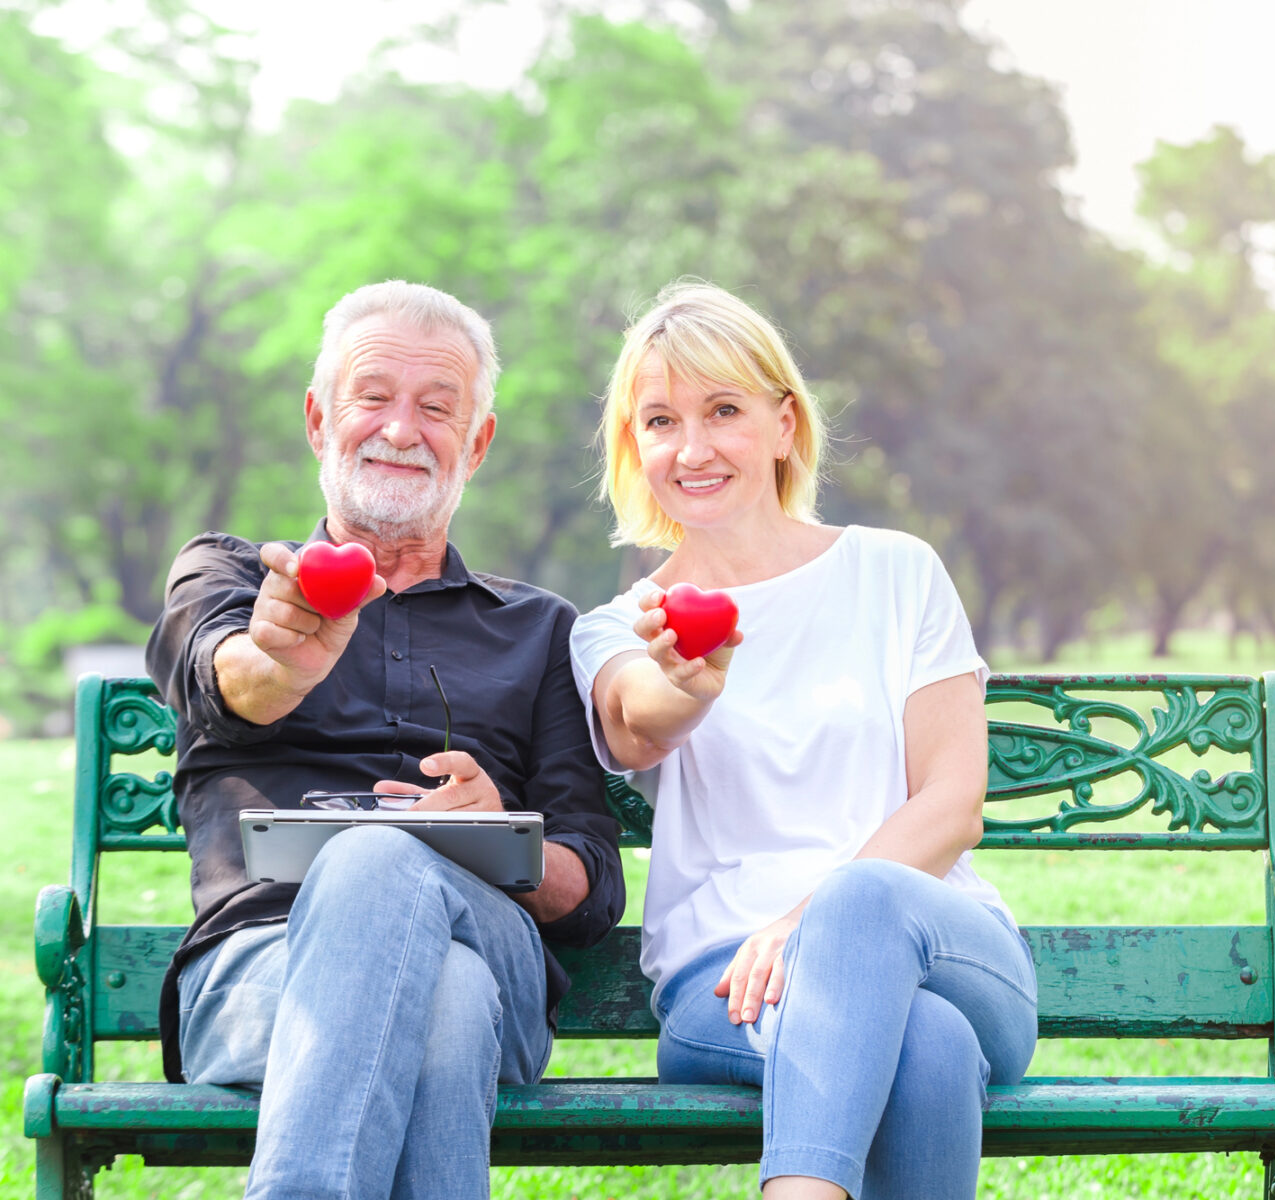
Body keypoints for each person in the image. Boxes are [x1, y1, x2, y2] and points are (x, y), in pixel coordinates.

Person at [146, 280, 626, 1200]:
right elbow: (227, 677)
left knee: (380, 868)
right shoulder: (232, 578)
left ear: (476, 444)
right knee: (438, 1004)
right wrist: (280, 662)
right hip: (257, 972)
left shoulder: (541, 629)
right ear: (320, 420)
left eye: (437, 408)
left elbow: (592, 890)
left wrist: (500, 837)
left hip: (497, 963)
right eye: (373, 398)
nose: (401, 430)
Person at [570, 281, 1037, 1200]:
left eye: (725, 411)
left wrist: (807, 927)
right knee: (930, 1047)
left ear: (784, 424)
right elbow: (635, 723)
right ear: (636, 446)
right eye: (660, 420)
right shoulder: (622, 627)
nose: (692, 447)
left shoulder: (896, 572)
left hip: (944, 942)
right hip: (726, 984)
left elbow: (951, 802)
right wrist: (687, 687)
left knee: (865, 901)